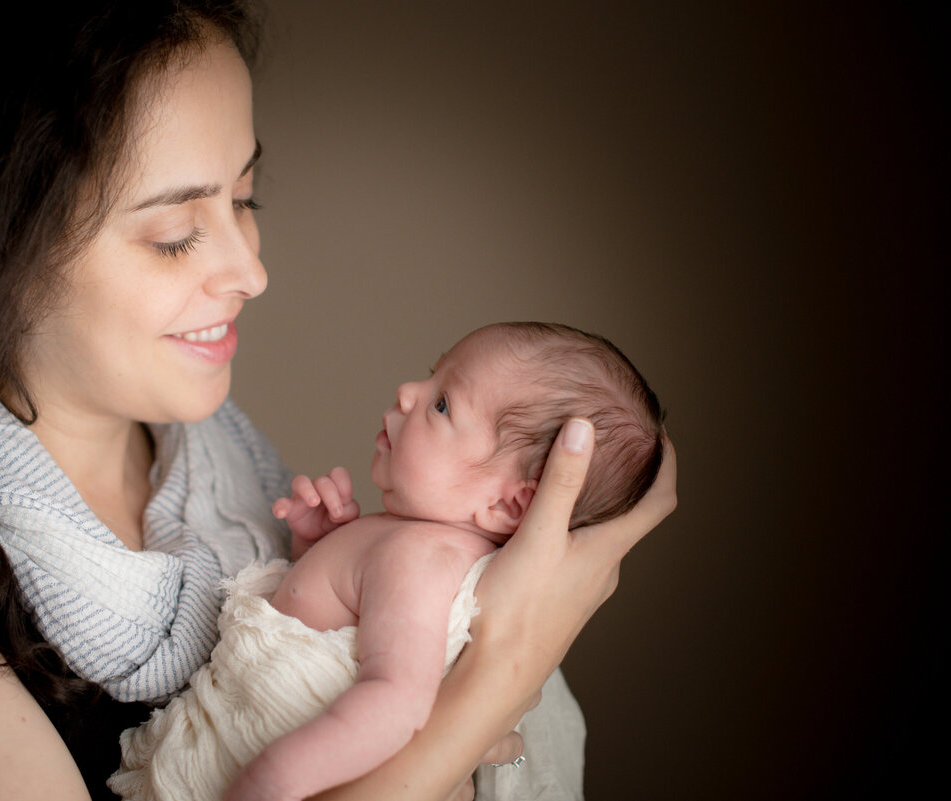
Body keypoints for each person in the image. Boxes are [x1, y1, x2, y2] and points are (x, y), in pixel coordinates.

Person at [0, 2, 677, 800]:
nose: (252, 272)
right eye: (173, 235)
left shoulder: (213, 459)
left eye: (247, 198)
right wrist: (491, 687)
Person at [109, 321, 665, 801]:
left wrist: (279, 775)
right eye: (431, 375)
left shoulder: (425, 559)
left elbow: (396, 700)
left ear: (506, 502)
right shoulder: (414, 543)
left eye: (444, 403)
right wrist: (320, 548)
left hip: (265, 767)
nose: (408, 392)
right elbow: (336, 631)